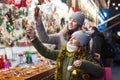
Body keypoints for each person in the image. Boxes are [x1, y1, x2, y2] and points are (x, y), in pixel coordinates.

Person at [26, 29, 104, 80]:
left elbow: (100, 72)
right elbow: (46, 52)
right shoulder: (62, 53)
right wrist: (34, 38)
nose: (71, 39)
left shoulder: (86, 56)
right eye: (72, 37)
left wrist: (83, 63)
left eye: (75, 38)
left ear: (81, 44)